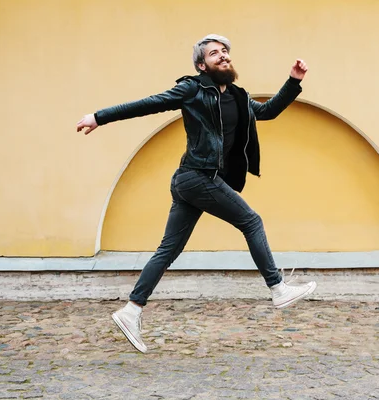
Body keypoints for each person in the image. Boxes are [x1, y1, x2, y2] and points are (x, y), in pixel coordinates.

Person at [76, 34, 317, 353]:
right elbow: (148, 104)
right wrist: (98, 117)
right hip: (197, 176)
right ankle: (277, 288)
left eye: (226, 52)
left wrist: (293, 81)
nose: (224, 56)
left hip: (190, 181)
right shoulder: (192, 89)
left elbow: (269, 111)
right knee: (252, 221)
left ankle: (131, 310)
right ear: (202, 64)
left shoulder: (238, 96)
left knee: (168, 250)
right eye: (215, 53)